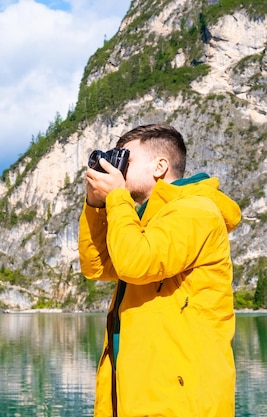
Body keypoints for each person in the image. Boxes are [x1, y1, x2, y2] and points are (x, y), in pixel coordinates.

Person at [78, 124, 242, 416]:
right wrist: (95, 205)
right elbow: (96, 266)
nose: (119, 168)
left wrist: (117, 198)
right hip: (137, 393)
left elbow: (136, 264)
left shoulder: (195, 211)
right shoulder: (142, 220)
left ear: (160, 166)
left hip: (178, 399)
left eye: (126, 159)